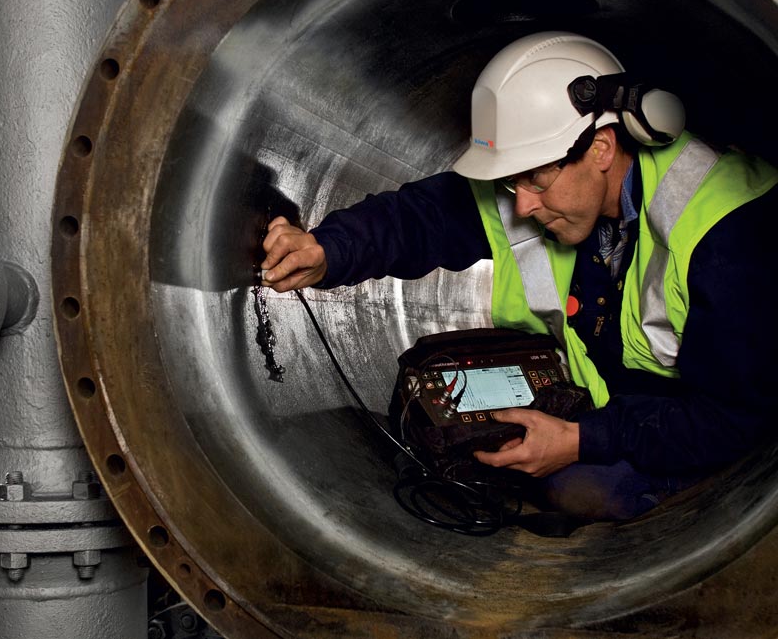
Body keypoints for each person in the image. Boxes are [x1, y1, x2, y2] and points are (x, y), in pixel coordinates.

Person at [259, 31, 778, 521]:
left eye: (534, 178)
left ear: (600, 147)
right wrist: (328, 250)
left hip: (707, 429)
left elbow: (736, 417)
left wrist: (582, 439)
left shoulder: (727, 235)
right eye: (511, 183)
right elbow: (424, 216)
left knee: (582, 489)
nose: (523, 204)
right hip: (614, 405)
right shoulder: (538, 192)